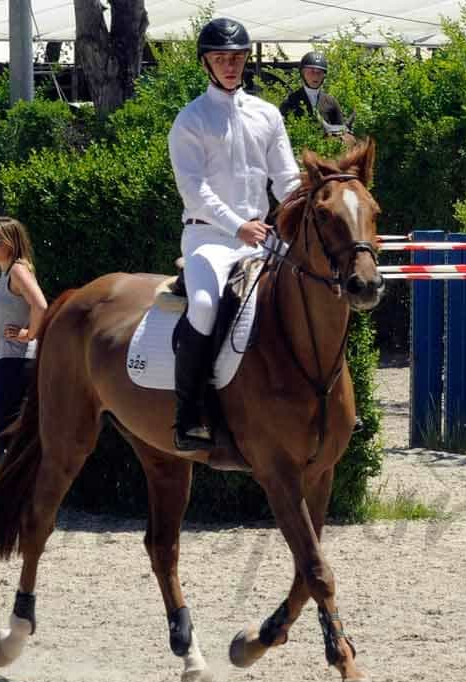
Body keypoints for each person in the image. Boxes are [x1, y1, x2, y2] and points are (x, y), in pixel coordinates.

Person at [167, 17, 301, 451]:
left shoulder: (267, 114)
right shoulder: (191, 119)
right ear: (206, 62)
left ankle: (328, 401)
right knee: (204, 307)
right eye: (221, 58)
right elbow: (194, 189)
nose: (230, 65)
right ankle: (189, 415)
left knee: (317, 289)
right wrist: (237, 225)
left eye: (237, 58)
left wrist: (311, 205)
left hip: (261, 237)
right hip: (208, 238)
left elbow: (286, 180)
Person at [0, 217, 47, 467]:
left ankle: (8, 490)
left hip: (17, 359)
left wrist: (28, 334)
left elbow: (40, 305)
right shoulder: (7, 271)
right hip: (7, 359)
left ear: (11, 242)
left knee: (0, 429)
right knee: (5, 429)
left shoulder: (18, 270)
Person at [279, 51, 348, 129]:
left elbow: (341, 130)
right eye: (311, 71)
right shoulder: (290, 102)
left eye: (319, 72)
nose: (315, 76)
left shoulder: (331, 102)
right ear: (302, 73)